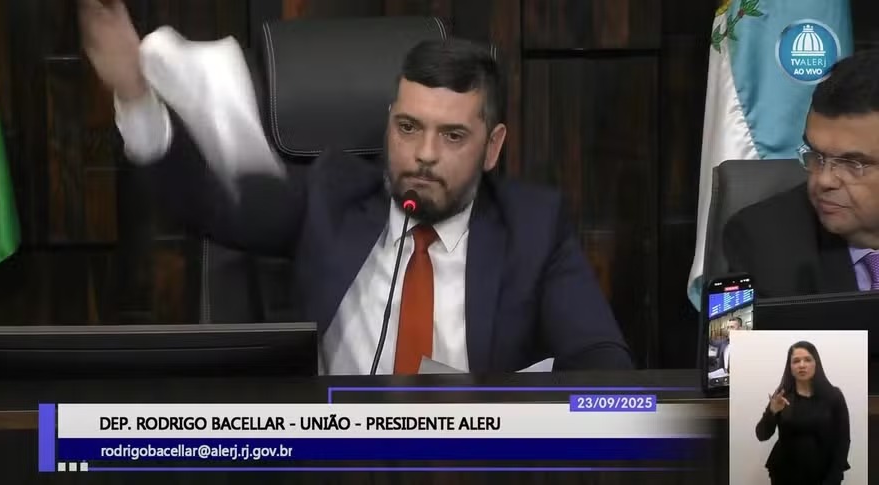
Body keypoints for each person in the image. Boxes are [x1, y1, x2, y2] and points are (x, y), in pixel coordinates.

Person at [77, 0, 633, 374]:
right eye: (408, 127)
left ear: (492, 147)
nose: (424, 153)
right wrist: (136, 96)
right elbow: (208, 205)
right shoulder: (331, 198)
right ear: (388, 123)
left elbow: (604, 363)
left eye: (453, 135)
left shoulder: (533, 228)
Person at [723, 49, 879, 298]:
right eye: (816, 155)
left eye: (852, 163)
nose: (824, 180)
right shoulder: (764, 240)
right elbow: (731, 327)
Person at [755, 341, 850, 485]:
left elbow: (843, 440)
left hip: (824, 473)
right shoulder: (782, 396)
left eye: (807, 359)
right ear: (790, 367)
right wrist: (772, 412)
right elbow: (762, 435)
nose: (802, 365)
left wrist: (834, 478)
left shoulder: (833, 396)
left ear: (816, 363)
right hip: (785, 474)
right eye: (796, 361)